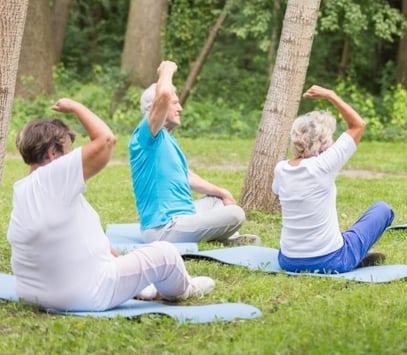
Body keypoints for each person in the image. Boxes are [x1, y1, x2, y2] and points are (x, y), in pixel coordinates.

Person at [7, 99, 214, 311]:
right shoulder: (54, 174)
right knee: (166, 254)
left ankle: (142, 289)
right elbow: (106, 140)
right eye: (68, 151)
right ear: (53, 153)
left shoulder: (23, 188)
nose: (71, 157)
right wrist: (75, 107)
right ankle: (184, 289)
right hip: (82, 295)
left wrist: (111, 254)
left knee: (117, 258)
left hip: (32, 294)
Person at [129, 60, 256, 244]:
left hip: (184, 216)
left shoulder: (166, 139)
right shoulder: (146, 136)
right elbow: (163, 94)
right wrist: (166, 70)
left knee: (216, 201)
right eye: (175, 104)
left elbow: (186, 176)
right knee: (236, 214)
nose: (180, 108)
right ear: (157, 108)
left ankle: (226, 237)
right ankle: (224, 238)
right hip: (165, 228)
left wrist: (222, 192)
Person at [272, 85, 395, 273]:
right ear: (323, 144)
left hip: (288, 260)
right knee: (383, 209)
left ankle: (349, 252)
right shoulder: (324, 164)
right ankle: (352, 258)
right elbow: (357, 125)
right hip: (331, 261)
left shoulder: (281, 168)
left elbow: (279, 195)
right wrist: (330, 95)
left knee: (342, 236)